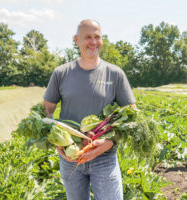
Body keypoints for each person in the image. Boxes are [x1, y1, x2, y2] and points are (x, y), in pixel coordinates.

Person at [42, 19, 136, 200]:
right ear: (76, 40)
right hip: (70, 158)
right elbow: (45, 112)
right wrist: (57, 142)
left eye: (97, 37)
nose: (93, 42)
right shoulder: (61, 73)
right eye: (87, 37)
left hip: (104, 158)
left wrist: (108, 143)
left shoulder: (115, 74)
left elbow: (132, 115)